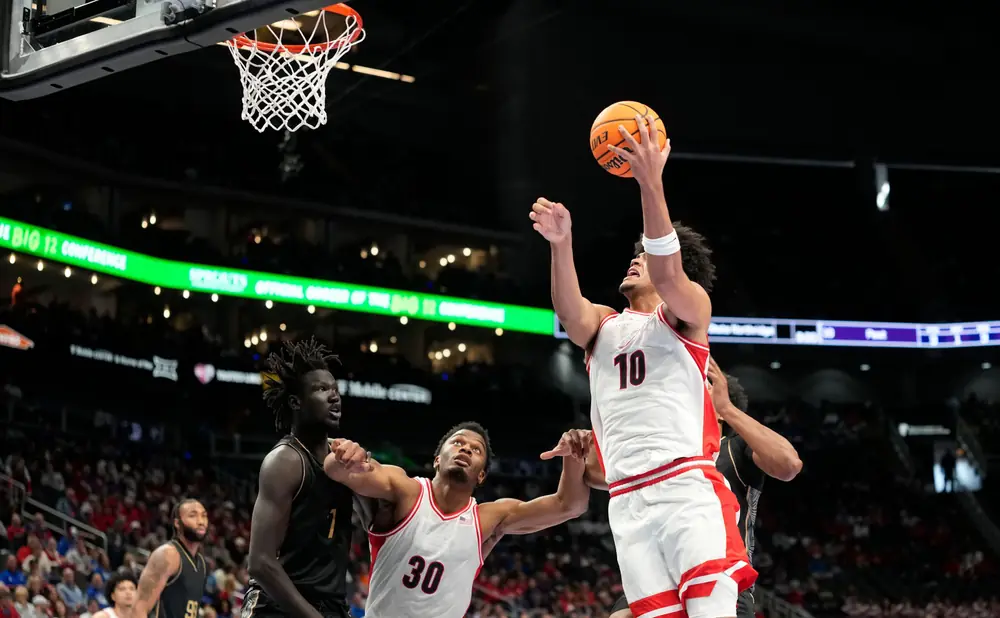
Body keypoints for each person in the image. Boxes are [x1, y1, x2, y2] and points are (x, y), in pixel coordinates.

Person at [530, 115, 754, 618]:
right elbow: (568, 312)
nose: (634, 261)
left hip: (685, 491)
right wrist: (561, 245)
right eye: (634, 256)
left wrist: (649, 182)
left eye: (643, 256)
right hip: (627, 504)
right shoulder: (605, 326)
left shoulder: (686, 314)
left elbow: (669, 271)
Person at [597, 358, 802, 618]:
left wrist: (726, 408)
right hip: (660, 574)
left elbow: (789, 465)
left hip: (718, 572)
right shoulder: (662, 452)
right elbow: (603, 476)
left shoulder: (734, 447)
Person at [324, 422, 592, 618]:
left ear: (481, 476)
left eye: (476, 450)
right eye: (458, 443)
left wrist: (575, 456)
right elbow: (341, 472)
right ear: (437, 460)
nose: (465, 449)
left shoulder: (488, 518)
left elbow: (569, 505)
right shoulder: (405, 489)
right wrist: (346, 457)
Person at [242, 338, 363, 618]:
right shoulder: (286, 461)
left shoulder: (343, 456)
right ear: (296, 402)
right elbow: (260, 562)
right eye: (321, 389)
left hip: (329, 603)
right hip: (277, 606)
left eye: (335, 389)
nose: (334, 396)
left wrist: (367, 468)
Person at [132, 498, 208, 618]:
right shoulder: (167, 555)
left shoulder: (201, 563)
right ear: (177, 523)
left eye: (204, 516)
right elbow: (139, 609)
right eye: (193, 516)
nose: (201, 521)